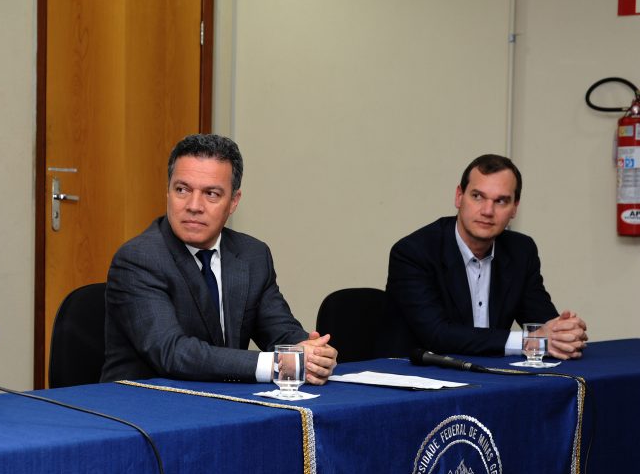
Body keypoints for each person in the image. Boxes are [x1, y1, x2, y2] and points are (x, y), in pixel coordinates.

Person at [100, 134, 338, 384]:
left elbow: (280, 329)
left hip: (223, 402)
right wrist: (280, 364)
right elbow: (172, 353)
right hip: (144, 409)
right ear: (168, 191)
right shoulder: (139, 258)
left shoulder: (252, 255)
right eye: (182, 189)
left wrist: (312, 353)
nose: (194, 205)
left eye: (211, 194)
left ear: (233, 202)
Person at [381, 153, 587, 359]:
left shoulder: (521, 251)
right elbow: (438, 335)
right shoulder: (413, 252)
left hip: (488, 377)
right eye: (477, 196)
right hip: (417, 379)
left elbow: (542, 322)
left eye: (501, 201)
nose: (488, 211)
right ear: (459, 197)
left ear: (514, 208)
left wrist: (564, 332)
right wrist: (529, 341)